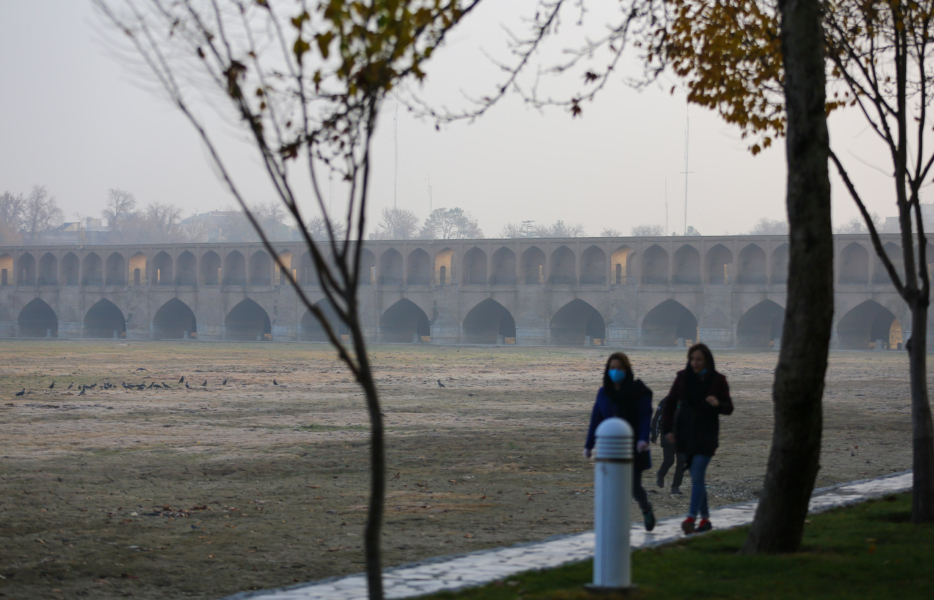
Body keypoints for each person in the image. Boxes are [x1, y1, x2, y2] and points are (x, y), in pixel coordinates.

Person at [661, 343, 733, 534]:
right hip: (684, 435)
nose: (695, 362)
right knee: (697, 477)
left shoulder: (718, 381)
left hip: (706, 435)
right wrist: (667, 429)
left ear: (706, 360)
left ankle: (691, 517)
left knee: (697, 475)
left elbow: (729, 408)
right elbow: (670, 404)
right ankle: (706, 520)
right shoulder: (682, 378)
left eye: (699, 359)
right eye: (692, 359)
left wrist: (717, 404)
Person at [584, 352, 656, 531]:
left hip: (633, 447)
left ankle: (645, 508)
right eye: (612, 368)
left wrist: (642, 440)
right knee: (611, 487)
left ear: (626, 370)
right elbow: (596, 418)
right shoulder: (603, 393)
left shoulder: (638, 391)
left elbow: (644, 417)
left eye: (619, 368)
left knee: (633, 487)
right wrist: (589, 445)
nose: (615, 371)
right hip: (610, 448)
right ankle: (615, 522)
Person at [651, 395, 686, 494]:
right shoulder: (666, 401)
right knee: (669, 460)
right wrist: (654, 435)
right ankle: (661, 474)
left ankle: (675, 487)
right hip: (668, 435)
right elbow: (657, 419)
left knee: (682, 461)